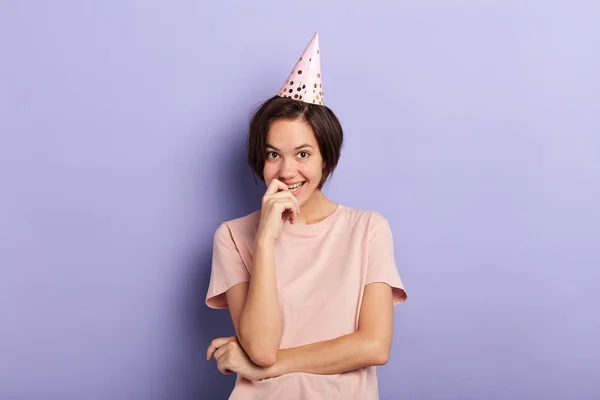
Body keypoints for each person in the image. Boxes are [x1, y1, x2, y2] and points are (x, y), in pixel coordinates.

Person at [205, 33, 407, 400]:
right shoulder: (233, 237)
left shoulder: (368, 230)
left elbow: (375, 346)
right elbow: (262, 348)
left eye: (302, 154)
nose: (286, 171)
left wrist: (266, 367)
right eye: (272, 155)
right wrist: (265, 239)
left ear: (325, 158)